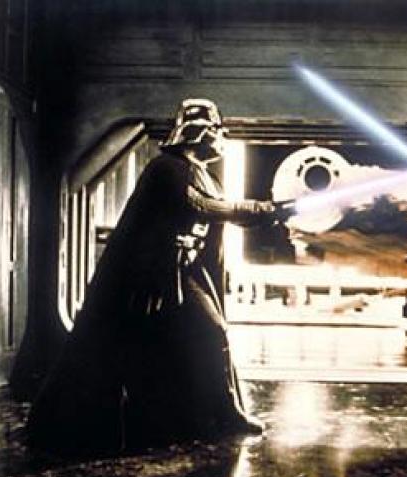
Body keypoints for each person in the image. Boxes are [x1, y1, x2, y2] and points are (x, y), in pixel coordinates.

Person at [27, 99, 281, 455]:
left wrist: (268, 212)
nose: (221, 137)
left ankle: (223, 412)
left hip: (184, 269)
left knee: (209, 334)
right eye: (216, 130)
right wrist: (262, 209)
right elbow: (202, 207)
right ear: (199, 132)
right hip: (151, 275)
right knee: (156, 346)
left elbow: (217, 215)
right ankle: (186, 418)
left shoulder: (204, 174)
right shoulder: (166, 168)